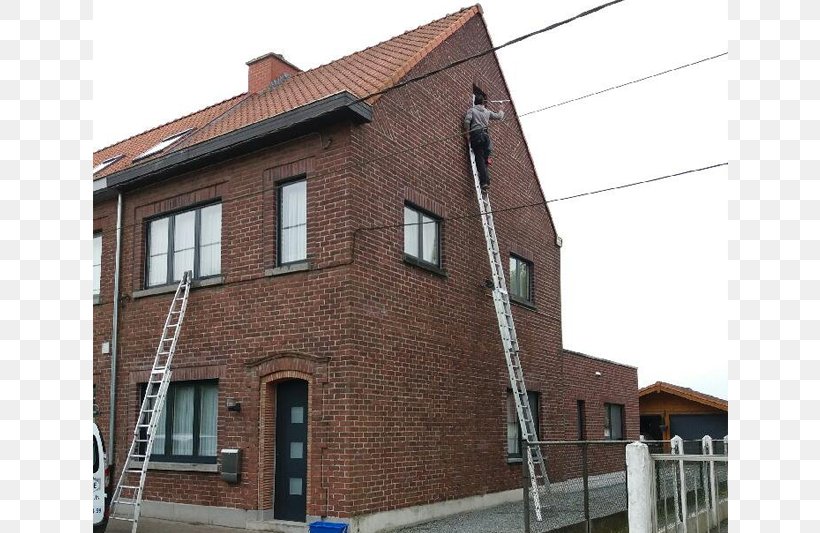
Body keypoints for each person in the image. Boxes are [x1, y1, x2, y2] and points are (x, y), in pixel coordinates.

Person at [463, 94, 504, 190]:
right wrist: (501, 109)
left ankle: (484, 181)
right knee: (484, 159)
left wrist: (467, 134)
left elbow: (467, 121)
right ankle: (486, 180)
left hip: (477, 136)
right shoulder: (487, 112)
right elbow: (499, 116)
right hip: (486, 138)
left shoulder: (472, 110)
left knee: (479, 158)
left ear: (475, 102)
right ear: (483, 103)